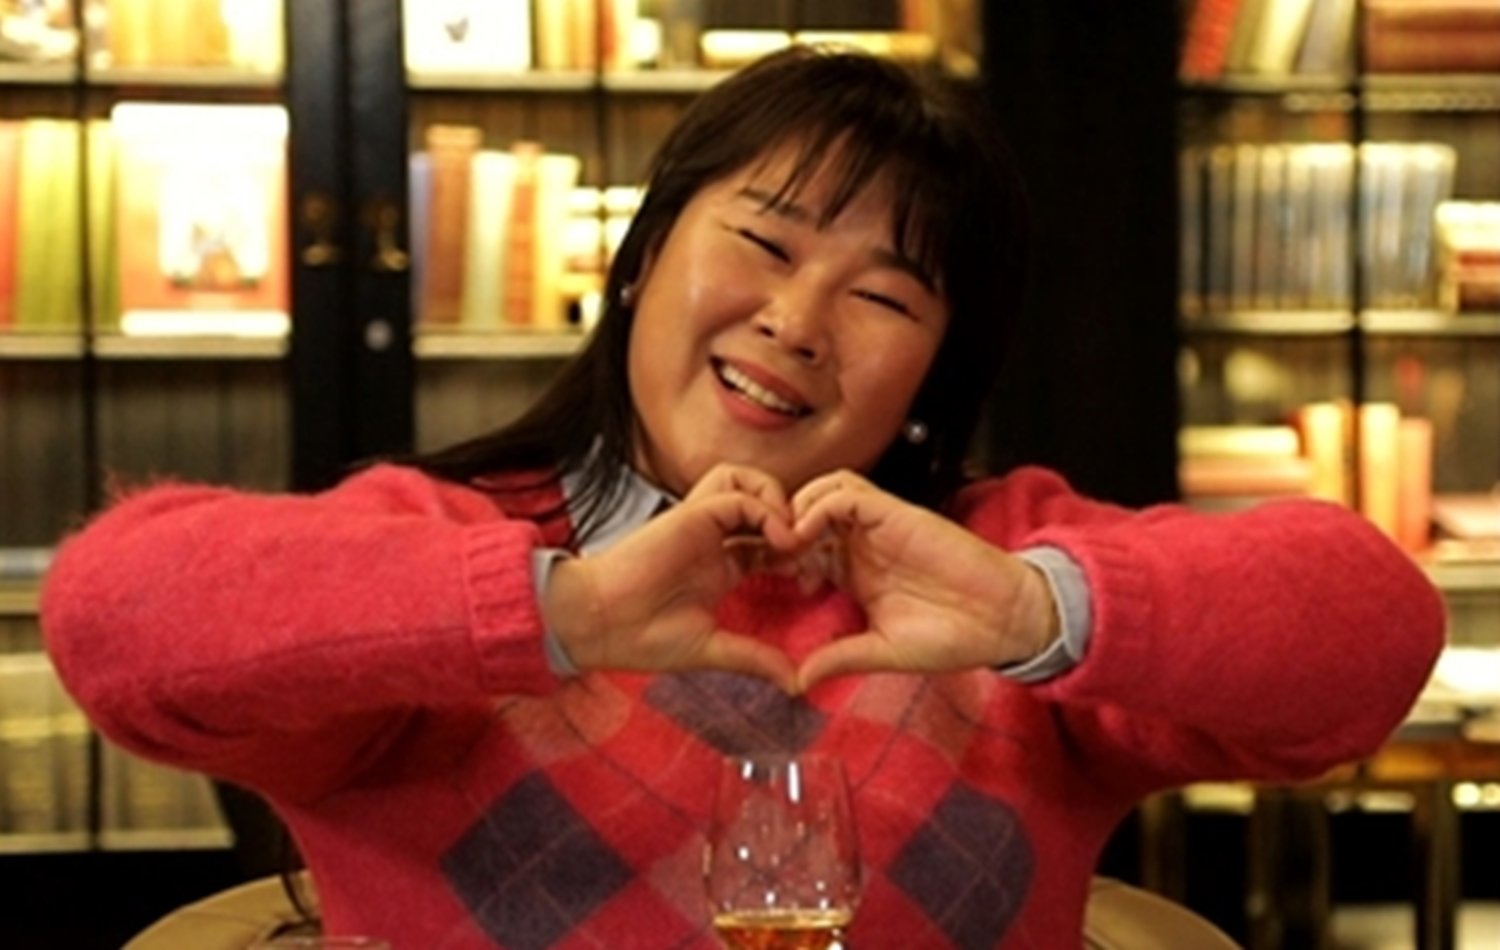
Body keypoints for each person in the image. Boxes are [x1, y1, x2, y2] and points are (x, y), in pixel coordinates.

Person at [41, 46, 1443, 949]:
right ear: (643, 258)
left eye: (885, 296)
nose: (796, 321)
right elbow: (111, 614)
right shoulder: (448, 551)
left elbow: (1375, 633)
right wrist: (555, 611)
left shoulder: (996, 561)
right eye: (764, 244)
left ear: (937, 370)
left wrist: (1037, 612)